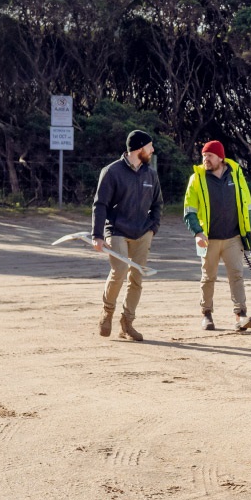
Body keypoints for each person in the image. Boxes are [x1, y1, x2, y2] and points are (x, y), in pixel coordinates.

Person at [91, 129, 163, 342]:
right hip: (117, 230)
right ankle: (107, 312)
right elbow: (100, 204)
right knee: (119, 271)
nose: (152, 150)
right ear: (139, 148)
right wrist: (97, 235)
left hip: (143, 232)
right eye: (149, 146)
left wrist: (153, 228)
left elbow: (158, 203)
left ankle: (127, 322)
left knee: (137, 277)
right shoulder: (112, 172)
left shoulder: (151, 173)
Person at [183, 140, 251, 332]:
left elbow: (246, 204)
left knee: (237, 275)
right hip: (208, 238)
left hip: (233, 237)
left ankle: (240, 315)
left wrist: (248, 231)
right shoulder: (197, 179)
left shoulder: (237, 174)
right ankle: (206, 314)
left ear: (220, 157)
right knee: (208, 277)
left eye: (209, 155)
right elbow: (189, 210)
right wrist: (197, 232)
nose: (205, 159)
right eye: (204, 156)